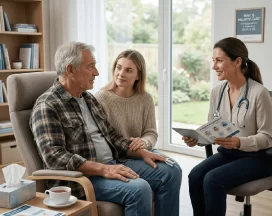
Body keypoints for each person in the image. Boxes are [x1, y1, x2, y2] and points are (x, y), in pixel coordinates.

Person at [30, 42, 181, 216]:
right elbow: (54, 157)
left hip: (113, 163)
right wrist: (104, 169)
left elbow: (112, 137)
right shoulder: (47, 105)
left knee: (171, 171)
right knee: (139, 189)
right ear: (70, 70)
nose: (97, 73)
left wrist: (142, 152)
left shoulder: (88, 99)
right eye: (91, 67)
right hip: (84, 178)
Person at [183, 37, 272, 216]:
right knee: (195, 175)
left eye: (219, 60)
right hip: (228, 154)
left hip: (257, 159)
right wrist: (197, 139)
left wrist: (239, 142)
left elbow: (267, 138)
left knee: (212, 179)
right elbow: (211, 129)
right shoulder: (217, 92)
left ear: (237, 62)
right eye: (213, 61)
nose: (214, 66)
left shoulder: (259, 93)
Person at [94, 49, 182, 214]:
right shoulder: (101, 99)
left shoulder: (145, 98)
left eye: (128, 70)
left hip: (141, 152)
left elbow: (151, 132)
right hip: (119, 158)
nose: (121, 73)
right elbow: (106, 140)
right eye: (118, 67)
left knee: (174, 169)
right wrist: (138, 149)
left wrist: (145, 142)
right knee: (168, 174)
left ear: (138, 75)